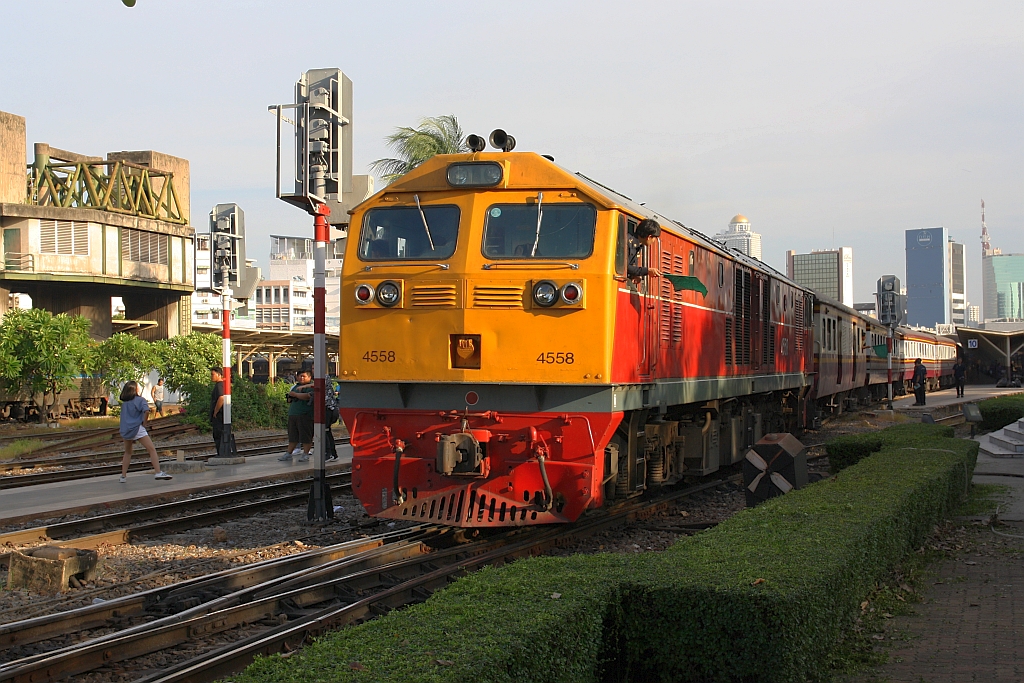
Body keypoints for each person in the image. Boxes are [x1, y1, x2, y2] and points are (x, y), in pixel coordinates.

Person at [118, 381, 171, 483]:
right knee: (151, 449)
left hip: (126, 430)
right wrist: (144, 423)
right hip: (137, 428)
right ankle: (158, 472)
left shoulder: (125, 403)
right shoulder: (140, 400)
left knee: (128, 452)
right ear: (135, 389)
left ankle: (123, 476)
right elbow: (146, 411)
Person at [278, 370, 314, 462]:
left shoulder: (311, 387)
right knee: (293, 435)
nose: (301, 378)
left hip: (305, 414)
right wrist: (291, 396)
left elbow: (308, 396)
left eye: (304, 376)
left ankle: (305, 454)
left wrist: (296, 395)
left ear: (309, 377)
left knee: (306, 435)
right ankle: (289, 453)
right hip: (293, 413)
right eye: (300, 376)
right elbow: (290, 399)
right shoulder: (295, 387)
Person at [210, 368, 226, 456]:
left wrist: (215, 411)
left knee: (218, 435)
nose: (211, 377)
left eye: (213, 374)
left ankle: (221, 453)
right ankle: (221, 453)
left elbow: (221, 398)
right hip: (221, 415)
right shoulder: (221, 385)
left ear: (219, 375)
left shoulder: (219, 385)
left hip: (219, 416)